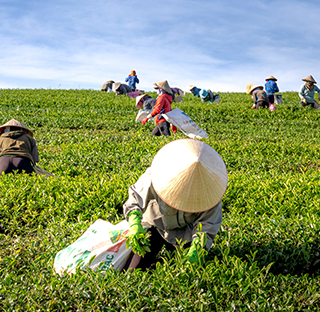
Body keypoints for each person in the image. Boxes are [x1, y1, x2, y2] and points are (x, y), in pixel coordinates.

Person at [122, 138, 228, 271]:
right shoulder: (156, 175)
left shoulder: (211, 194)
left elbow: (206, 227)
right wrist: (134, 222)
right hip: (155, 226)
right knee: (133, 270)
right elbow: (135, 198)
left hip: (184, 233)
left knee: (186, 273)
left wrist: (197, 248)